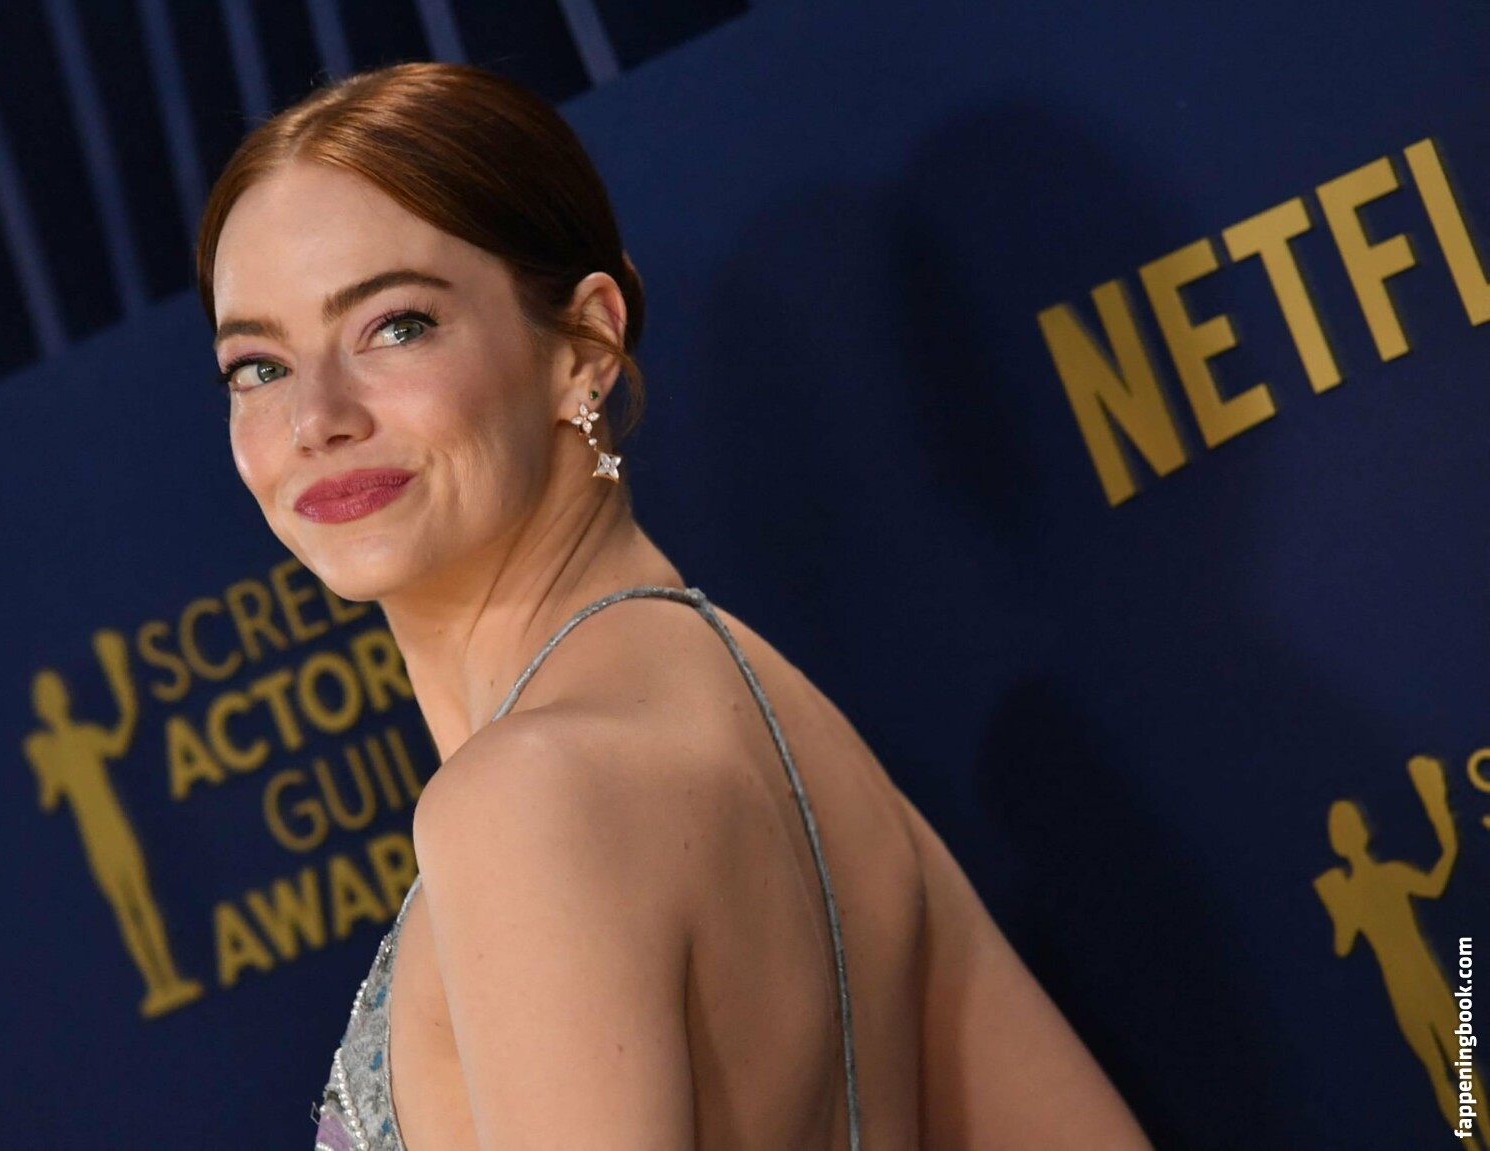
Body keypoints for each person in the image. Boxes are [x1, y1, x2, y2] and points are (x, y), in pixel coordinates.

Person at [196, 60, 1151, 1151]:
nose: (316, 417)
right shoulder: (787, 722)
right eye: (256, 367)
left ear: (585, 346)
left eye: (395, 325)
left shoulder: (522, 794)